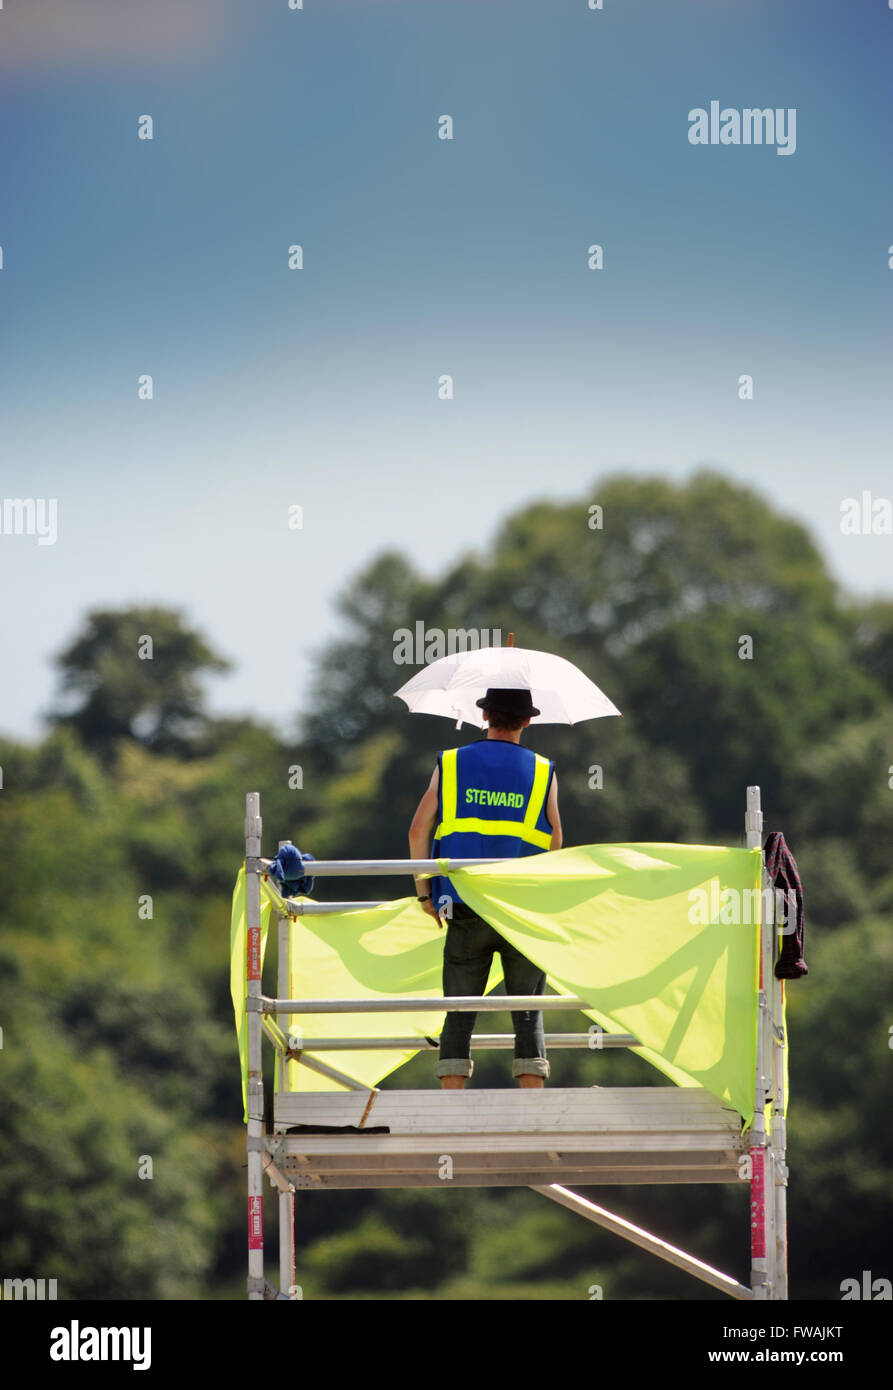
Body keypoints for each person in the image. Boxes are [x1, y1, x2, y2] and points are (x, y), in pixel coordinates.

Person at [408, 687, 562, 1090]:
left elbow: (417, 828)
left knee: (458, 1012)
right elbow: (555, 842)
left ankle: (453, 1109)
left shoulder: (452, 763)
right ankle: (534, 1111)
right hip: (520, 908)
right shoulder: (544, 770)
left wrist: (425, 892)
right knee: (528, 1014)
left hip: (463, 902)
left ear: (484, 716)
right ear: (528, 720)